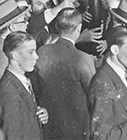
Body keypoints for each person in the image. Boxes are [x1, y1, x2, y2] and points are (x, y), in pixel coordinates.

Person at [36, 9, 96, 140]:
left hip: (49, 125)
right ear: (79, 27)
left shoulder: (41, 51)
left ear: (57, 26)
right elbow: (94, 95)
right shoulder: (83, 58)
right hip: (78, 127)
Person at [0, 31, 48, 140]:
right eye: (31, 52)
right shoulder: (8, 93)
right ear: (15, 55)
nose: (36, 56)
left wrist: (39, 115)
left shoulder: (23, 81)